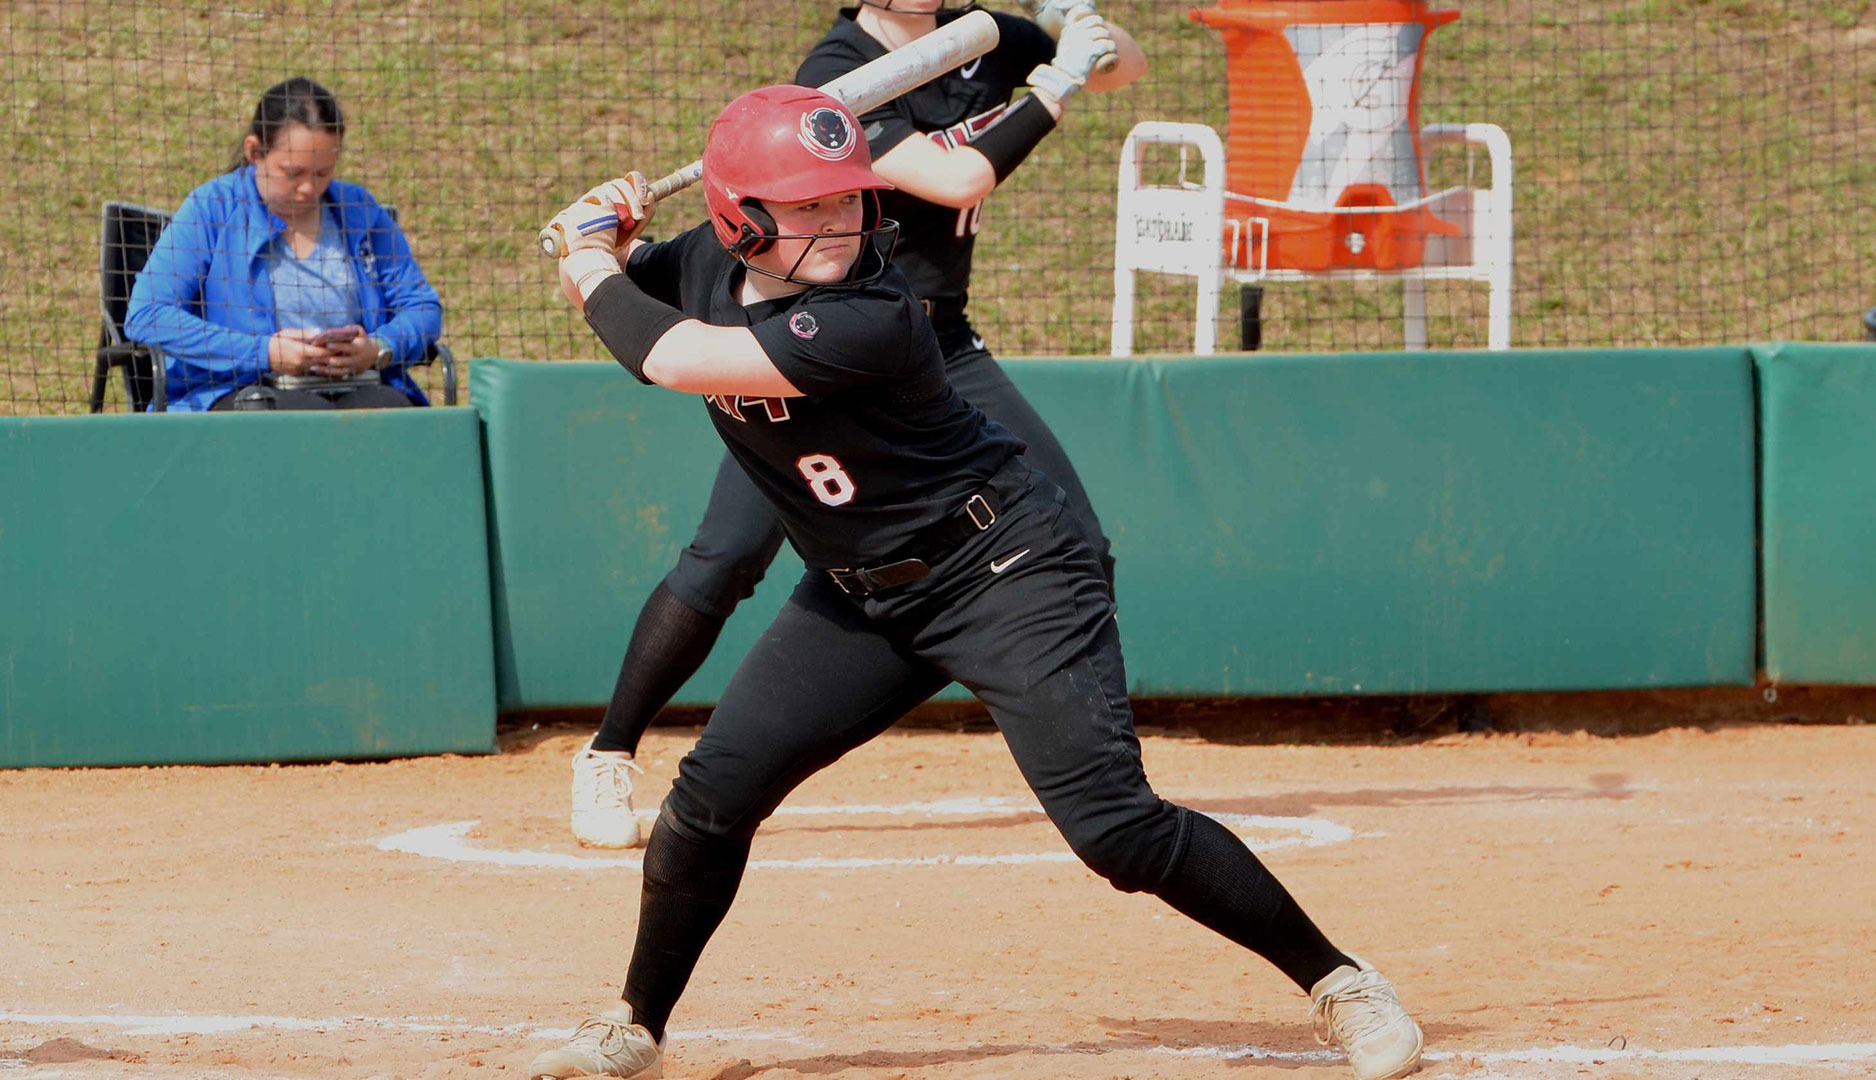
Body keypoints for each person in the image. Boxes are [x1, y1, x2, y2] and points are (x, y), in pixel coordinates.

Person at [526, 84, 1424, 1080]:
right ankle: (635, 1024)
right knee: (711, 798)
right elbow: (627, 289)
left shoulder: (874, 312)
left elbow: (667, 352)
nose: (839, 222)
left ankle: (1344, 984)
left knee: (1115, 829)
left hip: (1005, 569)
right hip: (861, 596)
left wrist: (583, 254)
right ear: (739, 218)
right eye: (806, 205)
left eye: (846, 200)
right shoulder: (698, 262)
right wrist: (600, 232)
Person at [566, 0, 1146, 852]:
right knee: (728, 555)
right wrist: (1053, 92)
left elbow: (1126, 65)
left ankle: (1088, 752)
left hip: (932, 341)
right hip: (814, 346)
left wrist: (1079, 23)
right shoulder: (832, 74)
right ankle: (609, 749)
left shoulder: (984, 34)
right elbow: (958, 180)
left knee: (1079, 539)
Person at [125, 77, 441, 412]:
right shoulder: (211, 207)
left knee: (392, 415)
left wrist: (379, 349)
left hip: (357, 386)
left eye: (323, 173)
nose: (308, 188)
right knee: (302, 420)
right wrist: (265, 353)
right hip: (239, 389)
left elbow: (423, 307)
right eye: (294, 173)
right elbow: (147, 315)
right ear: (254, 152)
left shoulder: (360, 209)